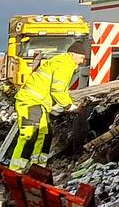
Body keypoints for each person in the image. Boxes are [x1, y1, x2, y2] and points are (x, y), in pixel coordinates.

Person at [9, 41, 85, 172]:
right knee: (29, 135)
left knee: (45, 135)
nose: (83, 60)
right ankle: (16, 170)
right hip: (30, 101)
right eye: (81, 57)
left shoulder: (64, 63)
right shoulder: (64, 65)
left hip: (39, 103)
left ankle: (36, 167)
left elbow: (59, 90)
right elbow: (57, 90)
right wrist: (69, 106)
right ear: (73, 54)